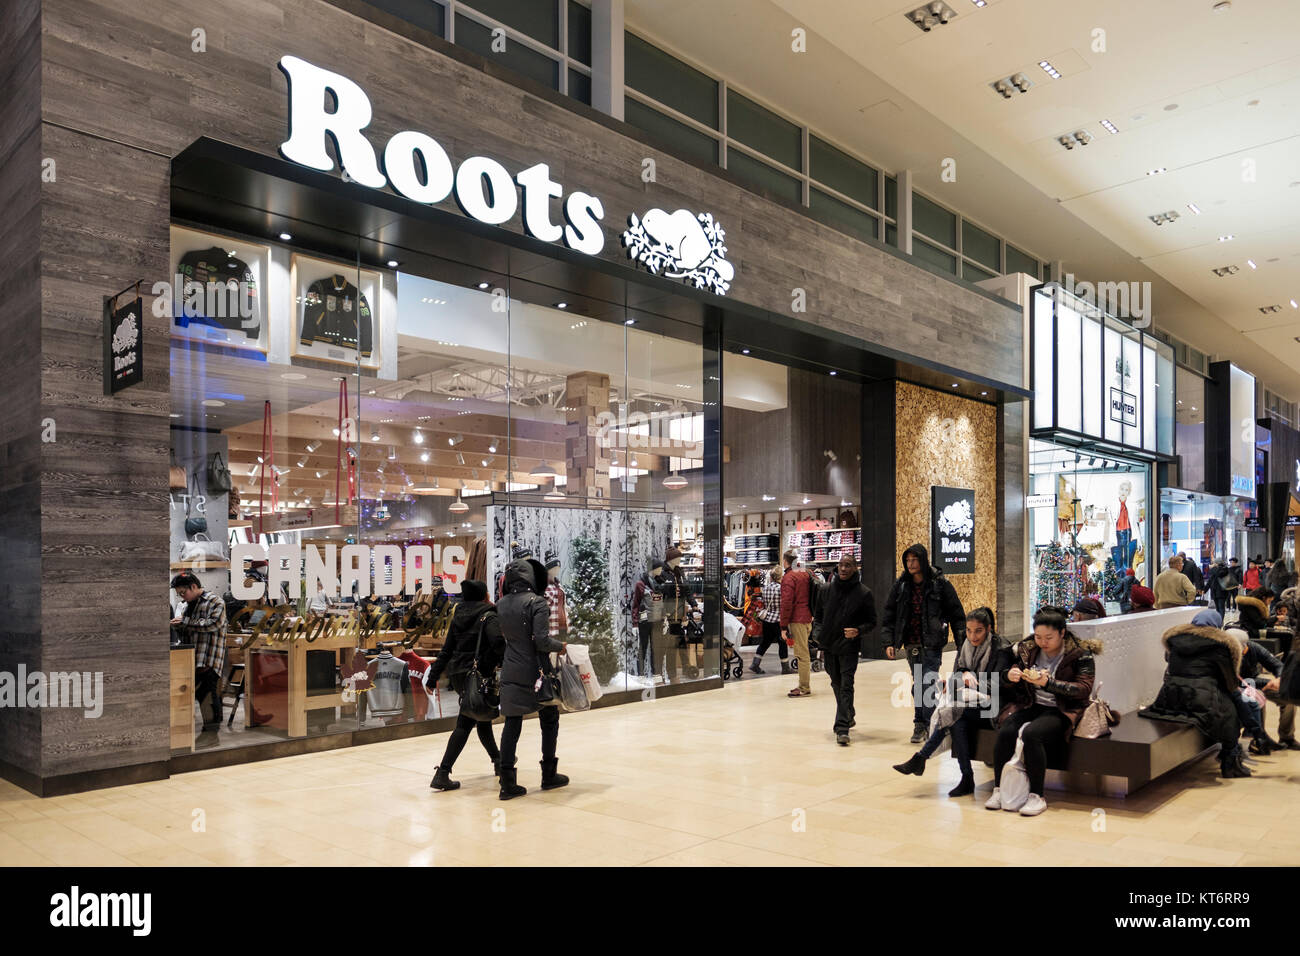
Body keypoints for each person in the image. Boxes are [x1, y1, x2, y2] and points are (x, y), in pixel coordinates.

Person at [985, 608, 1098, 816]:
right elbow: (1001, 675)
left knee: (1032, 734)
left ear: (1062, 633)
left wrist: (1048, 683)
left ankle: (1037, 795)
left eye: (1048, 637)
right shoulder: (1028, 649)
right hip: (1031, 704)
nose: (1043, 642)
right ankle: (1000, 789)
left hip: (1063, 709)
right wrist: (1008, 676)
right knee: (1006, 730)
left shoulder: (1080, 653)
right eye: (1038, 636)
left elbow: (1083, 689)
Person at [892, 607, 1013, 796]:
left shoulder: (1000, 648)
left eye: (978, 631)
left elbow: (1001, 684)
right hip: (971, 702)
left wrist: (970, 681)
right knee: (955, 719)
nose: (972, 636)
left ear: (988, 629)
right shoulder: (966, 645)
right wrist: (960, 677)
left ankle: (922, 759)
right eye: (969, 630)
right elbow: (958, 672)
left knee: (953, 714)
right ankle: (965, 777)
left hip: (996, 705)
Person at [1140, 608, 1250, 778]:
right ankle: (1231, 760)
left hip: (1170, 697)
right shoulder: (1221, 646)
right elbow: (1230, 682)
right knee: (1231, 711)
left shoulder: (1175, 641)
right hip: (1201, 698)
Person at [497, 557, 567, 799]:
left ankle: (507, 784)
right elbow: (542, 641)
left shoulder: (502, 603)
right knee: (549, 719)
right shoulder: (537, 602)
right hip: (537, 670)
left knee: (512, 724)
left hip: (511, 667)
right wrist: (562, 646)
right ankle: (549, 775)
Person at [881, 544, 967, 743]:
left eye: (914, 560)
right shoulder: (901, 585)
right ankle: (921, 724)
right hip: (911, 645)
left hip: (932, 644)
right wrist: (889, 642)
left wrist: (962, 644)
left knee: (926, 683)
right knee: (919, 684)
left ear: (923, 560)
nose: (910, 564)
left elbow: (957, 614)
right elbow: (889, 615)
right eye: (907, 560)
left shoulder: (940, 584)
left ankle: (930, 725)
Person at [428, 580, 505, 790]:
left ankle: (498, 761)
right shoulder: (488, 615)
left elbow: (447, 649)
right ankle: (442, 772)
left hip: (459, 674)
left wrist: (433, 676)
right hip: (478, 674)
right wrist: (495, 661)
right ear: (484, 595)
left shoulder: (459, 615)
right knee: (466, 722)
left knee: (481, 716)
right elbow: (498, 643)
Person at [815, 555, 876, 746]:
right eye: (840, 565)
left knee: (847, 685)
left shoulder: (864, 593)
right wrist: (817, 635)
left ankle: (842, 728)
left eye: (847, 565)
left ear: (854, 568)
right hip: (829, 645)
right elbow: (817, 617)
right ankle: (848, 713)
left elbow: (872, 622)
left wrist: (858, 631)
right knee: (836, 683)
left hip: (849, 647)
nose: (843, 568)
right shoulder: (825, 590)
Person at [171, 571, 227, 738]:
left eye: (183, 592)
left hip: (209, 657)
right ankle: (208, 731)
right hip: (194, 658)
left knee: (207, 696)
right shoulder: (190, 604)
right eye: (179, 593)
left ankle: (211, 735)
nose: (182, 596)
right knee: (201, 695)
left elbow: (213, 624)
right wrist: (178, 626)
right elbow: (189, 630)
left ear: (194, 586)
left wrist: (185, 622)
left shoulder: (216, 602)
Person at [1227, 628, 1286, 755]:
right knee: (1256, 694)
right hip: (1237, 687)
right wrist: (1261, 684)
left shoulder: (1254, 648)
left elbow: (1277, 665)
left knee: (1287, 694)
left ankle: (1287, 737)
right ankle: (1259, 738)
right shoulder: (1224, 654)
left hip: (1252, 682)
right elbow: (1234, 681)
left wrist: (1279, 679)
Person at [779, 550, 816, 698]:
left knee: (802, 653)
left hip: (797, 619)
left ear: (785, 561)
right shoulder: (805, 574)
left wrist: (783, 626)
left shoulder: (789, 577)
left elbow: (786, 603)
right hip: (808, 617)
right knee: (803, 651)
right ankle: (803, 684)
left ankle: (804, 687)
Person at [750, 566, 790, 675]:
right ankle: (785, 667)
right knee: (782, 643)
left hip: (767, 619)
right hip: (778, 620)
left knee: (765, 642)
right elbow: (785, 605)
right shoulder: (782, 588)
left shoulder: (766, 588)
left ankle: (755, 664)